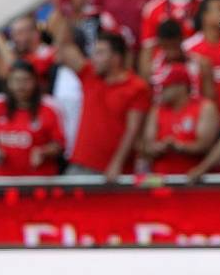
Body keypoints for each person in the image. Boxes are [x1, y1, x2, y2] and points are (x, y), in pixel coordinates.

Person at [57, 29, 151, 180]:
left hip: (111, 171)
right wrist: (67, 13)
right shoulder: (90, 75)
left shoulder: (136, 87)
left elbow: (132, 129)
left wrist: (117, 163)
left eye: (100, 53)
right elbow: (65, 49)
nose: (93, 58)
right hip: (80, 164)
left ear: (116, 57)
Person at [0, 60, 65, 176]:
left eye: (26, 80)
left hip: (38, 181)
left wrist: (43, 152)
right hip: (3, 180)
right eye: (16, 80)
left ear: (35, 82)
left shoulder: (50, 107)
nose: (20, 86)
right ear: (8, 82)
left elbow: (59, 144)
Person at [143, 64, 219, 174]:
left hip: (193, 180)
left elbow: (205, 145)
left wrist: (179, 146)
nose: (160, 90)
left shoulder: (204, 107)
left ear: (181, 86)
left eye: (165, 86)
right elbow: (147, 146)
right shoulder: (157, 110)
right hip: (162, 180)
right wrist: (158, 148)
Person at [147, 19, 215, 101]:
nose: (171, 53)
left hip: (194, 111)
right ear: (160, 44)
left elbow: (210, 100)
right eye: (166, 47)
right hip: (165, 112)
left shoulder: (202, 65)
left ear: (181, 40)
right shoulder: (152, 69)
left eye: (174, 46)